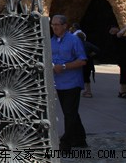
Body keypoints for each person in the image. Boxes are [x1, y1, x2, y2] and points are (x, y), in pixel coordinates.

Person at [50, 14, 87, 152]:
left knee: (69, 113)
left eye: (57, 25)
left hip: (72, 82)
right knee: (70, 112)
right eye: (52, 24)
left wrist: (64, 66)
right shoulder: (52, 41)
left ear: (65, 26)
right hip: (59, 83)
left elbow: (82, 60)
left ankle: (66, 143)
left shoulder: (74, 40)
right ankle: (80, 139)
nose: (54, 27)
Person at [109, 24, 126, 99]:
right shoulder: (114, 37)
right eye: (114, 28)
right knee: (124, 75)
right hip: (122, 59)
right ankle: (122, 92)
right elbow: (120, 34)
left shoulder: (123, 38)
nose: (117, 29)